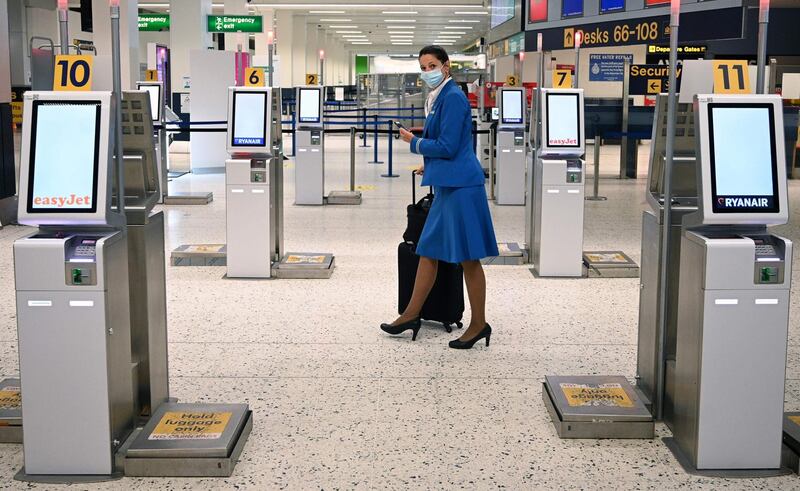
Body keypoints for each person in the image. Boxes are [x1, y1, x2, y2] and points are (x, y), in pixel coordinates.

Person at [380, 45, 499, 350]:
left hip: (462, 189)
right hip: (450, 185)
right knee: (428, 249)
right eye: (423, 66)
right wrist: (428, 163)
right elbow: (451, 146)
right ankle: (410, 314)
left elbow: (446, 145)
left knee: (468, 258)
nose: (427, 71)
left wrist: (414, 142)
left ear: (446, 66)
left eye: (432, 65)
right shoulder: (440, 97)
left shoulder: (453, 98)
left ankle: (479, 324)